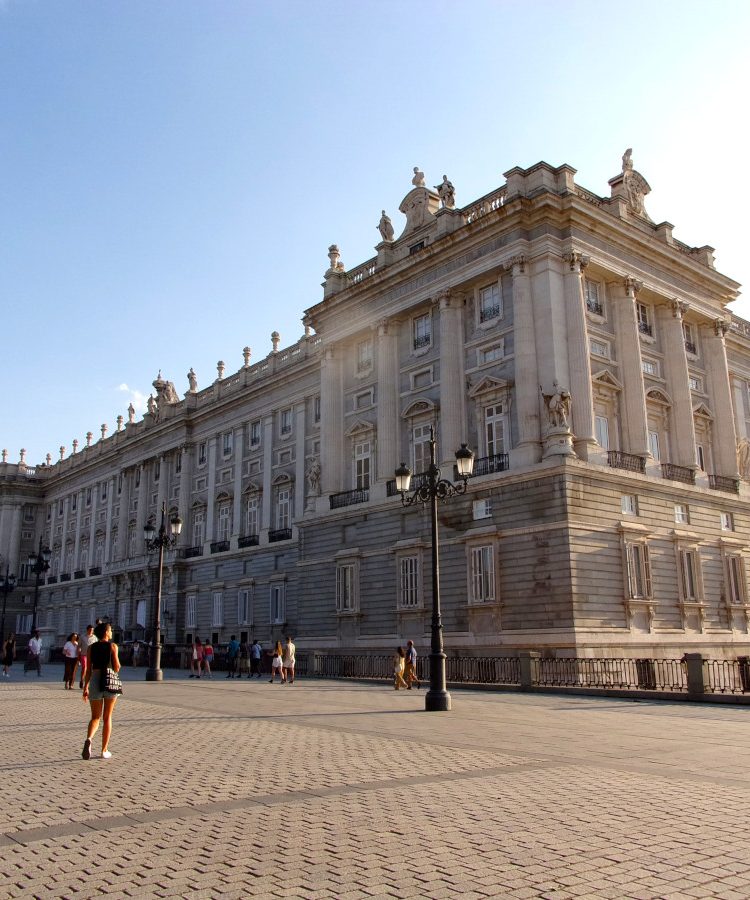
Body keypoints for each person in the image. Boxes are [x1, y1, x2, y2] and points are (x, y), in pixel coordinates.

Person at [81, 621, 121, 760]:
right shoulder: (113, 646)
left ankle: (89, 739)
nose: (111, 632)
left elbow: (88, 670)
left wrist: (85, 687)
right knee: (107, 717)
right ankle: (104, 750)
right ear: (106, 632)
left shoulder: (91, 648)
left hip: (95, 680)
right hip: (109, 680)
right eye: (110, 630)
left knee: (95, 717)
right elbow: (117, 667)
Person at [78, 625, 96, 689]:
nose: (91, 631)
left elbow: (96, 647)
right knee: (84, 668)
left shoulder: (95, 637)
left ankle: (87, 683)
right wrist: (79, 654)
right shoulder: (82, 637)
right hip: (84, 655)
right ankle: (82, 680)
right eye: (90, 630)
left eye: (92, 630)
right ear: (87, 630)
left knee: (91, 670)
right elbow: (79, 646)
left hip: (91, 656)